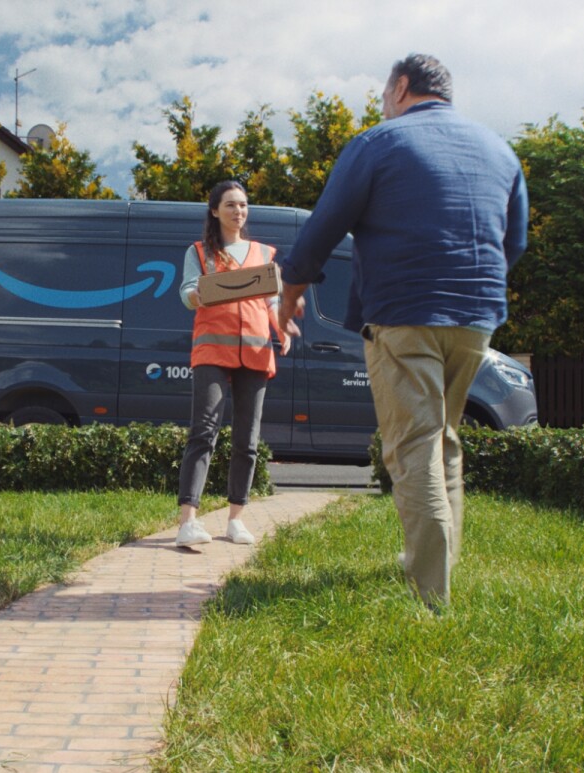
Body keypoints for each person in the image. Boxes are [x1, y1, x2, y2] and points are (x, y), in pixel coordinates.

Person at [276, 54, 528, 606]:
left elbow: (321, 229)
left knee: (413, 444)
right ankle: (438, 561)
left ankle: (429, 592)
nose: (383, 106)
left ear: (403, 87)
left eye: (384, 95)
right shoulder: (498, 149)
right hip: (476, 317)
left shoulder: (378, 143)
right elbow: (515, 242)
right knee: (444, 439)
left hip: (404, 313)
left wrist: (289, 296)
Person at [174, 180, 291, 548]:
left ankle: (236, 519)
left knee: (248, 439)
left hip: (255, 351)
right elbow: (187, 293)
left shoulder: (263, 253)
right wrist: (200, 293)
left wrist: (282, 327)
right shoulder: (200, 251)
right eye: (230, 205)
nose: (238, 211)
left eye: (242, 205)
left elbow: (272, 301)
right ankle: (188, 521)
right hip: (212, 350)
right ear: (214, 211)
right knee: (203, 432)